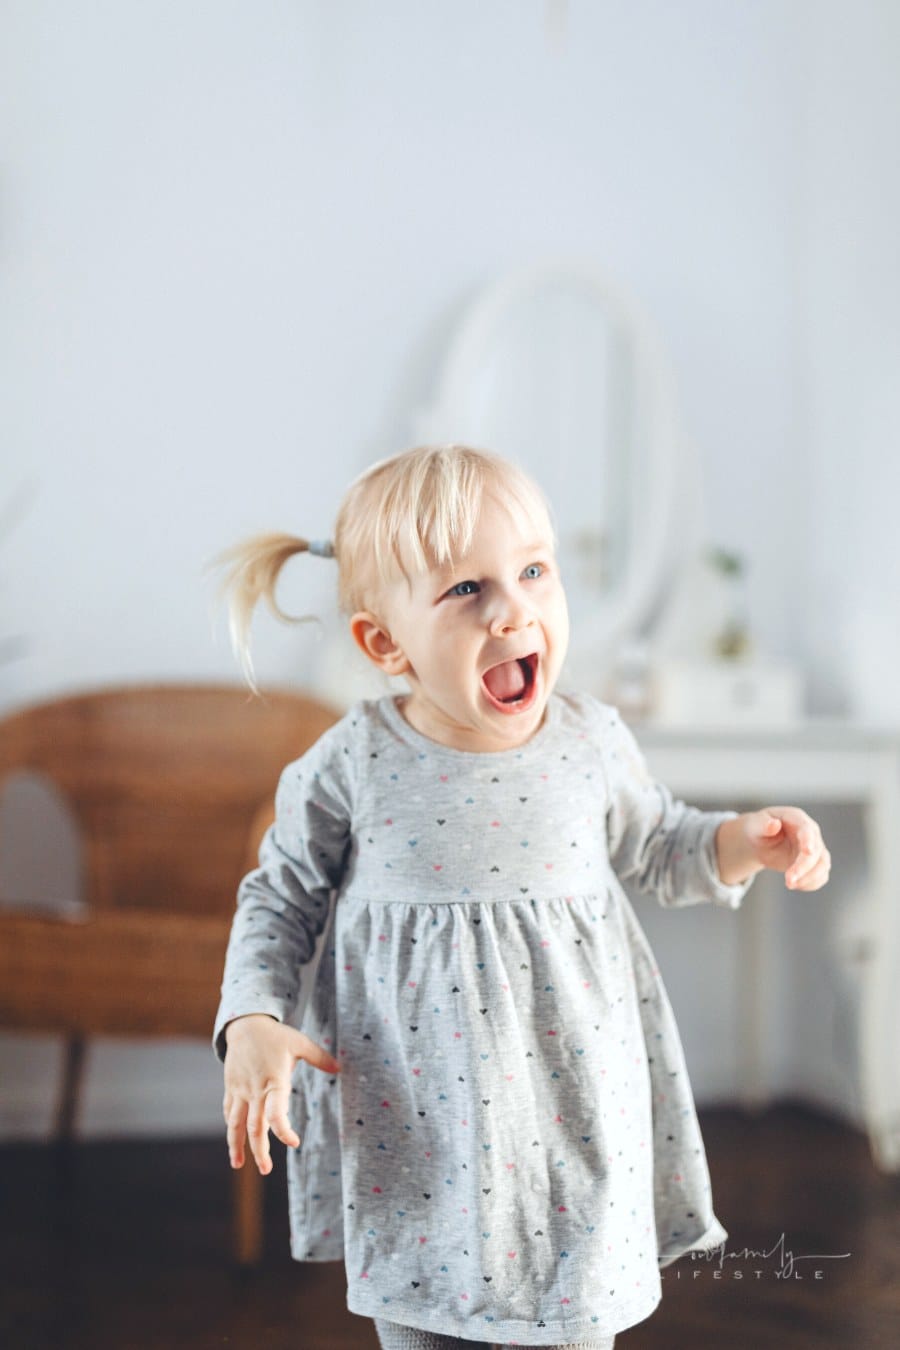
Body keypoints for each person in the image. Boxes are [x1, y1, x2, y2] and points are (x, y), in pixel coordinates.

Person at [209, 444, 831, 1350]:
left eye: (534, 570)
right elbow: (280, 899)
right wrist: (252, 1018)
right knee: (428, 1324)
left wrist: (744, 842)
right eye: (465, 590)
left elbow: (661, 845)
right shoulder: (355, 764)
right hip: (420, 1135)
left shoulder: (590, 742)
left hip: (573, 1115)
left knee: (573, 1323)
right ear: (385, 644)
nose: (514, 610)